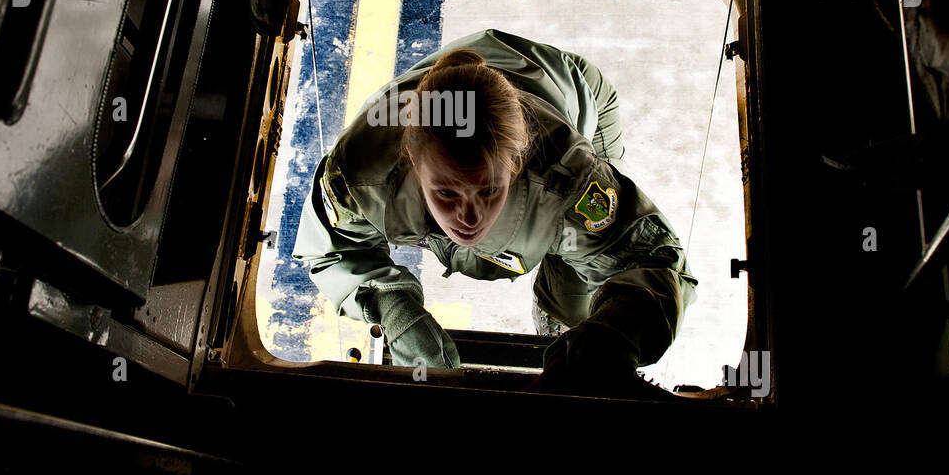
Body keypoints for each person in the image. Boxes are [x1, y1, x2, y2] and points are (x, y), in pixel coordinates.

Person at [292, 28, 698, 396]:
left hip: (575, 87)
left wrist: (612, 335)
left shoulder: (565, 176)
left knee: (579, 282)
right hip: (453, 90)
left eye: (488, 190)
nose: (469, 218)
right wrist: (394, 309)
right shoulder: (362, 169)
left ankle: (559, 314)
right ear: (413, 158)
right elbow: (333, 249)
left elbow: (649, 257)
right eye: (446, 193)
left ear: (517, 163)